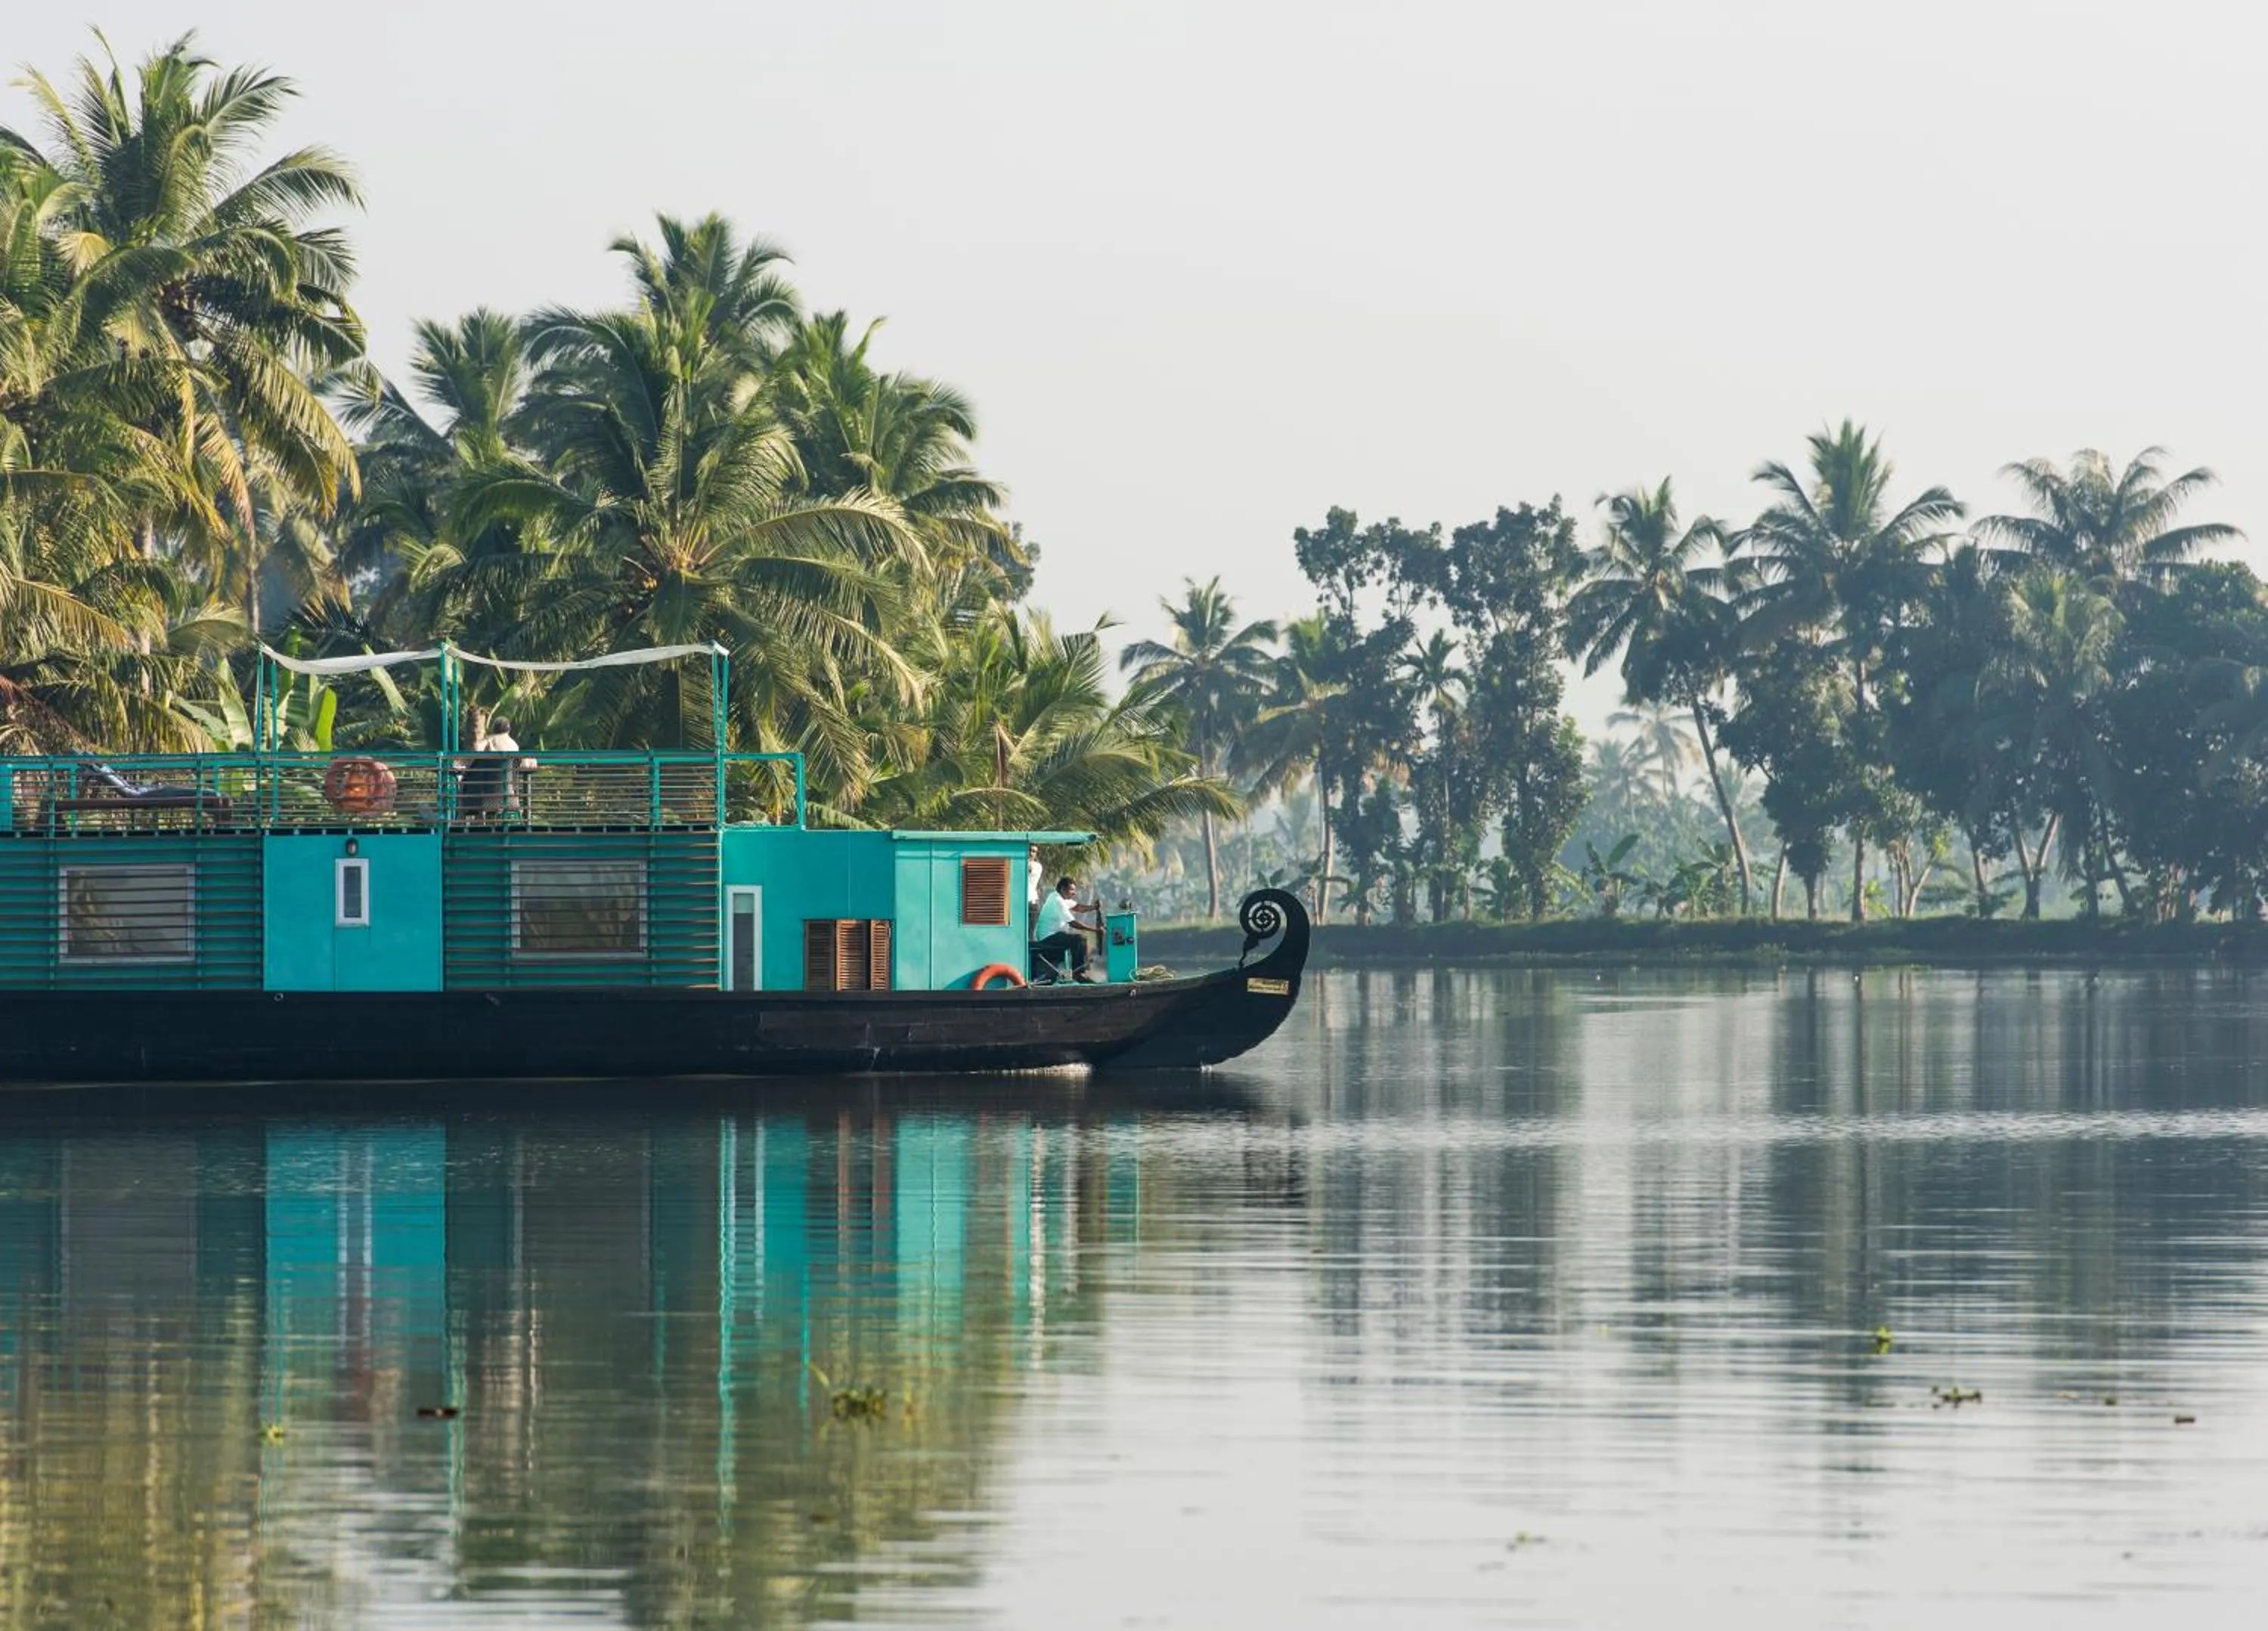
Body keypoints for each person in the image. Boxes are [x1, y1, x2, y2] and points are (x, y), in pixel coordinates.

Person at [1032, 874, 1101, 983]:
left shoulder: (1062, 898)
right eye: (1072, 890)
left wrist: (1094, 907)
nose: (1074, 893)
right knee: (1079, 940)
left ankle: (1078, 972)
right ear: (1063, 889)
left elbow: (1078, 907)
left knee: (1076, 940)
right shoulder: (1057, 900)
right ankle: (1079, 974)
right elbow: (1073, 923)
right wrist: (1095, 930)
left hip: (1055, 936)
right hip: (1048, 938)